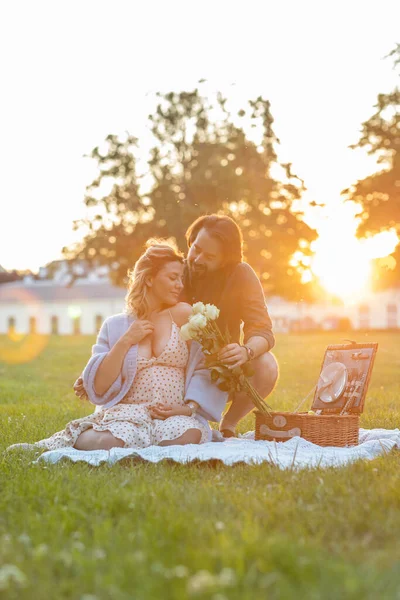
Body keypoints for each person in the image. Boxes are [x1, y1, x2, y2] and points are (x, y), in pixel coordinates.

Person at [9, 240, 226, 452]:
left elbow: (203, 366)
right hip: (128, 413)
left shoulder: (183, 314)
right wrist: (126, 341)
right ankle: (82, 439)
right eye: (172, 278)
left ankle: (140, 443)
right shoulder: (115, 325)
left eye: (181, 278)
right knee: (111, 440)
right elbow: (101, 385)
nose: (179, 285)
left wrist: (188, 408)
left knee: (188, 434)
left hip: (173, 415)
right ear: (149, 279)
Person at [75, 215, 278, 438]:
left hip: (221, 367)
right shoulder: (175, 272)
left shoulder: (241, 275)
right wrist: (96, 372)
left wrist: (245, 351)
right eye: (196, 249)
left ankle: (228, 424)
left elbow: (262, 330)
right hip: (176, 368)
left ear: (225, 261)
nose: (198, 259)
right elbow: (140, 315)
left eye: (209, 256)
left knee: (266, 364)